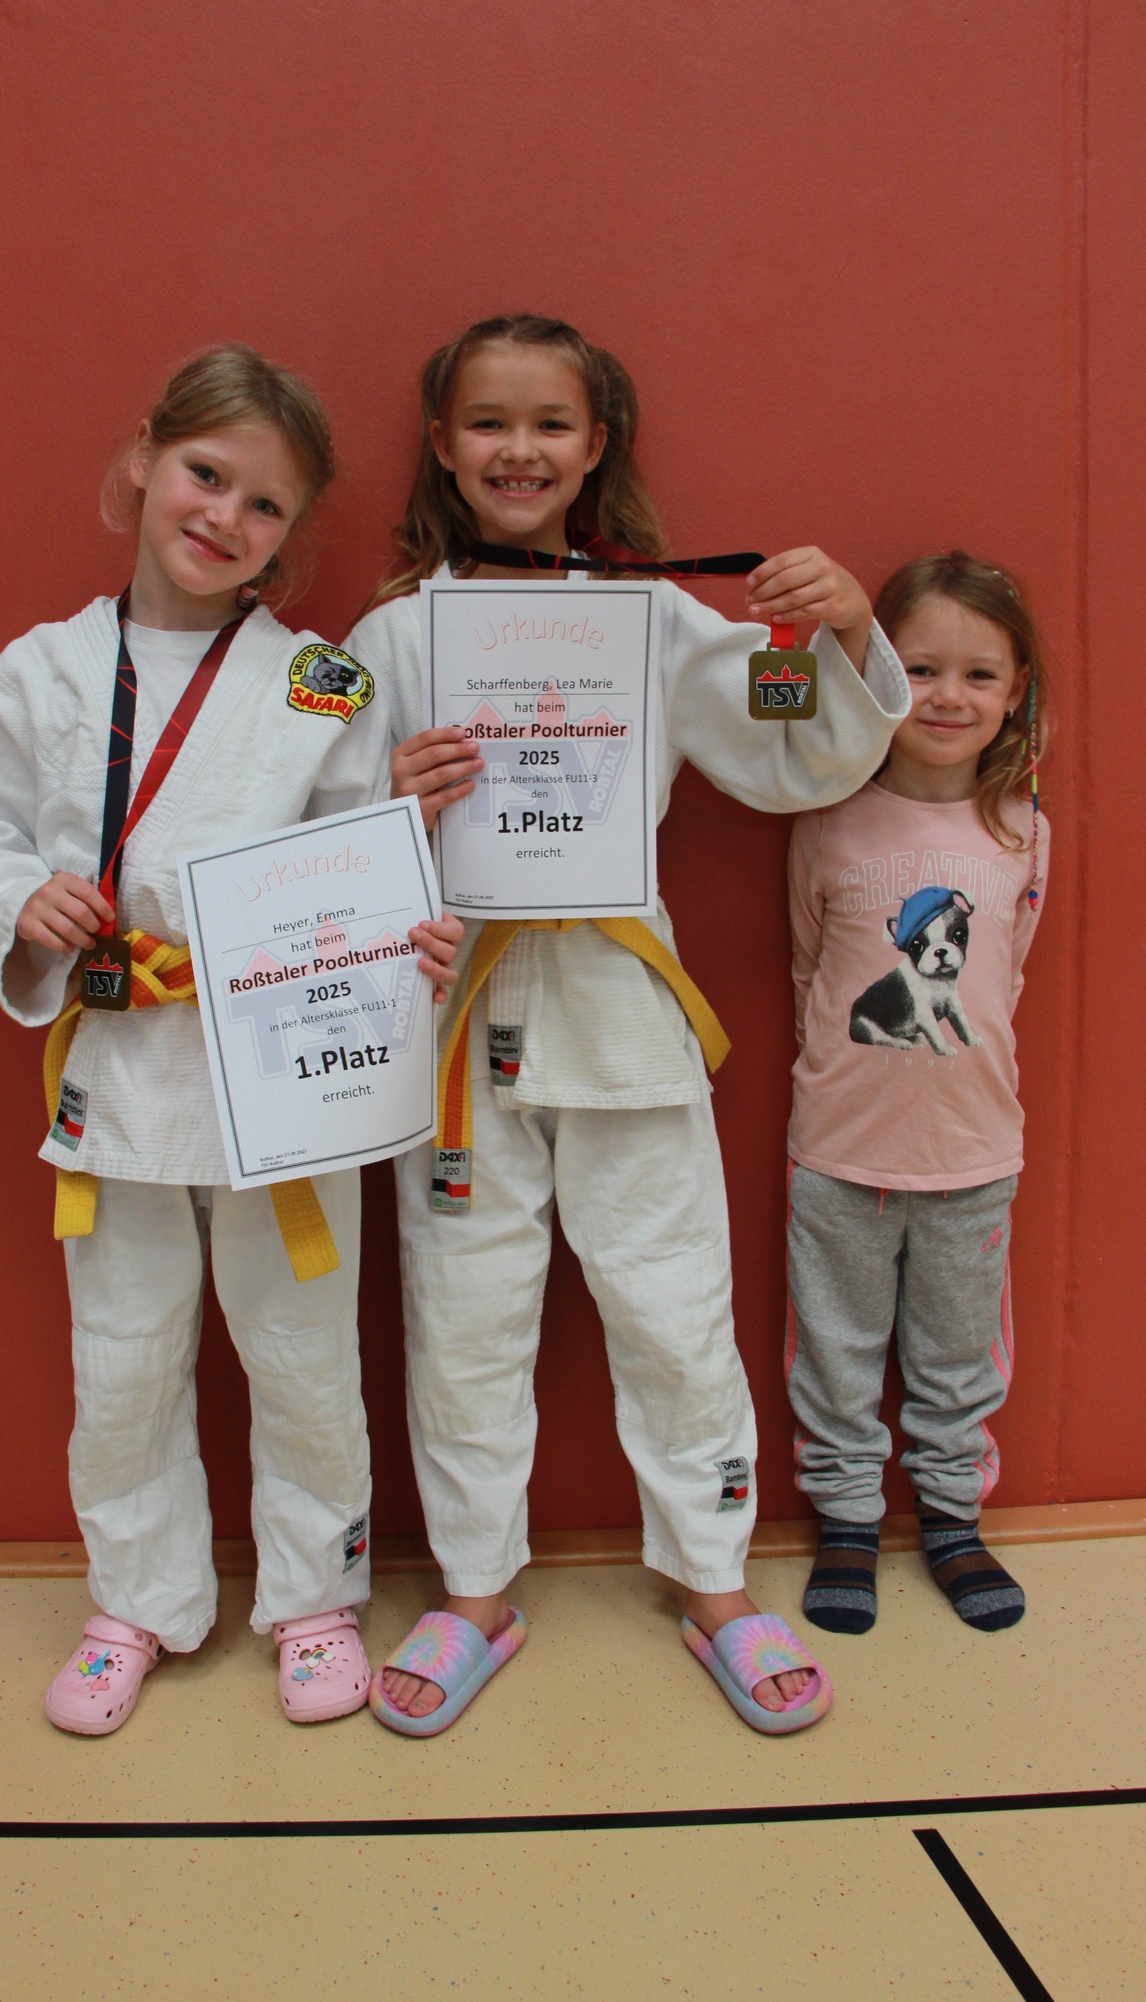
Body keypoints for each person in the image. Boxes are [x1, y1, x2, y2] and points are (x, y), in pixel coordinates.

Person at [345, 312, 912, 1736]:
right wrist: (386, 801)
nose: (518, 449)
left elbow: (791, 755)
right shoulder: (392, 633)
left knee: (672, 1304)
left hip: (618, 1009)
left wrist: (843, 631)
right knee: (461, 1317)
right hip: (453, 1018)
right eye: (488, 421)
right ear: (442, 445)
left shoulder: (654, 617)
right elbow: (315, 836)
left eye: (550, 423)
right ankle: (476, 1591)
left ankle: (716, 1583)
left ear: (596, 446)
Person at [0, 343, 461, 1735]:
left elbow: (358, 867)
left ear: (292, 536)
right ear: (144, 460)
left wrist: (404, 920)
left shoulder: (321, 684)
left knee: (303, 1349)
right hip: (123, 1065)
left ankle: (316, 1596)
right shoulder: (37, 674)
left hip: (285, 1076)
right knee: (121, 1356)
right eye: (205, 474)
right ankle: (137, 1599)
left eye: (265, 504)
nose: (225, 516)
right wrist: (19, 899)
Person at [784, 551, 1050, 1637]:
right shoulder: (827, 819)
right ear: (878, 677)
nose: (947, 696)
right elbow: (809, 968)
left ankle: (951, 1515)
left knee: (956, 1351)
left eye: (978, 674)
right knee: (835, 1347)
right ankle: (847, 1518)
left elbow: (1006, 974)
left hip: (972, 1154)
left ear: (1016, 690)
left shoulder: (1023, 828)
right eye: (921, 668)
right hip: (840, 1148)